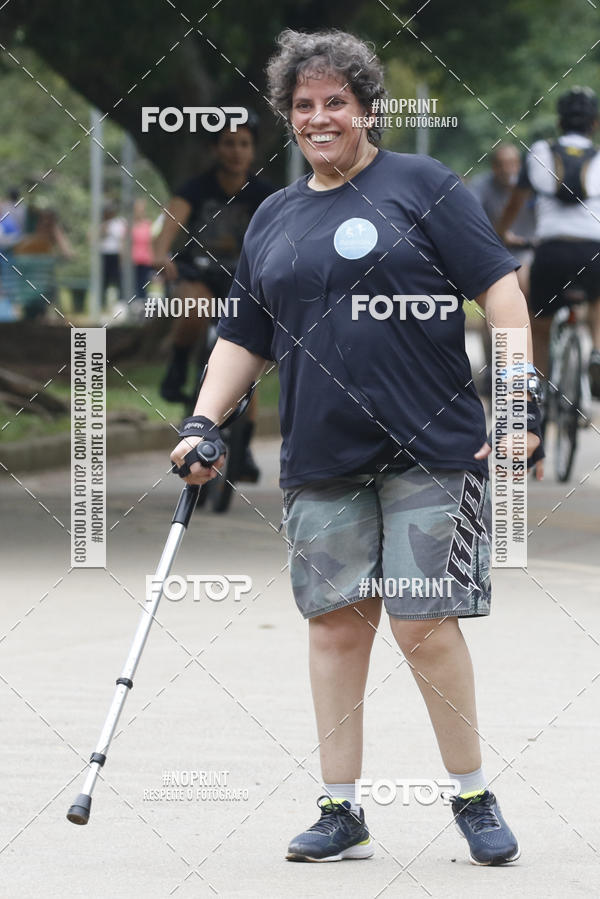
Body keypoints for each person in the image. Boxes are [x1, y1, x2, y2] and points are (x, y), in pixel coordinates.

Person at [171, 29, 543, 867]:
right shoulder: (275, 213)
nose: (319, 117)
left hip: (431, 447)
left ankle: (473, 793)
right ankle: (341, 810)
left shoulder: (424, 185)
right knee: (337, 628)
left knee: (422, 624)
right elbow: (245, 332)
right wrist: (201, 420)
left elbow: (504, 299)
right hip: (320, 454)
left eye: (335, 102)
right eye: (303, 106)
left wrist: (518, 409)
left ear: (366, 108)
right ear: (288, 118)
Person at [154, 113, 275, 480]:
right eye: (228, 143)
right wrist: (160, 253)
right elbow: (168, 227)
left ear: (252, 150)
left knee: (249, 359)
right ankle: (177, 363)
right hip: (200, 273)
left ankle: (245, 448)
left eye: (244, 144)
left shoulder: (265, 194)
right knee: (193, 305)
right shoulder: (196, 188)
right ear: (214, 148)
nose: (236, 151)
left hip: (246, 281)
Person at [498, 86, 600, 396]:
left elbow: (516, 203)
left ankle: (537, 391)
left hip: (551, 251)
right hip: (593, 251)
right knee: (598, 300)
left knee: (538, 325)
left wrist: (501, 232)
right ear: (594, 123)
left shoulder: (540, 152)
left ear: (559, 123)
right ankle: (597, 351)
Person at [99, 202, 126, 309]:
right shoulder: (102, 223)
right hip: (104, 254)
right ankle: (102, 303)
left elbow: (122, 240)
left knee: (118, 279)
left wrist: (122, 256)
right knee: (104, 280)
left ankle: (120, 303)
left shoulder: (119, 223)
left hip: (116, 254)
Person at [131, 198, 153, 300]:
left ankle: (141, 306)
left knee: (143, 286)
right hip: (132, 260)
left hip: (145, 260)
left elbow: (152, 242)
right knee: (132, 285)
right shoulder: (129, 225)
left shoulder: (148, 224)